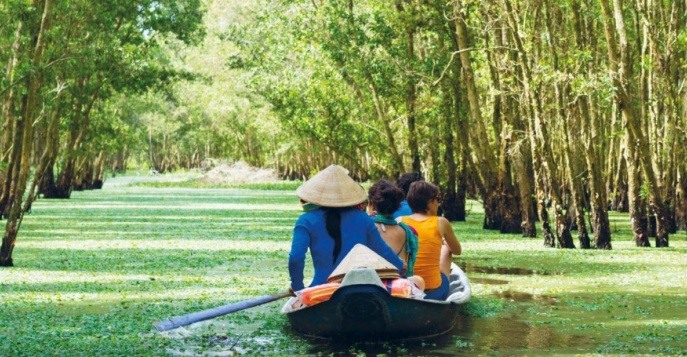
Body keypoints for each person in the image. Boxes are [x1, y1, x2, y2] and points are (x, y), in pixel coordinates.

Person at [288, 165, 404, 293]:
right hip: (359, 289)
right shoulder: (363, 218)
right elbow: (383, 252)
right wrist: (401, 267)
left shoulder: (305, 221)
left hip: (322, 289)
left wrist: (298, 287)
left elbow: (296, 258)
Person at [400, 181, 461, 300]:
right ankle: (443, 288)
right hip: (434, 292)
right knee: (446, 249)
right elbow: (457, 250)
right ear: (429, 202)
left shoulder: (400, 220)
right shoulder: (441, 222)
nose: (438, 203)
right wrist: (442, 241)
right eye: (437, 199)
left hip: (406, 289)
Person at [368, 180, 425, 291]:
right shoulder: (408, 231)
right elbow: (407, 268)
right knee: (418, 280)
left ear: (372, 204)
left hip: (370, 284)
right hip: (397, 287)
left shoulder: (366, 226)